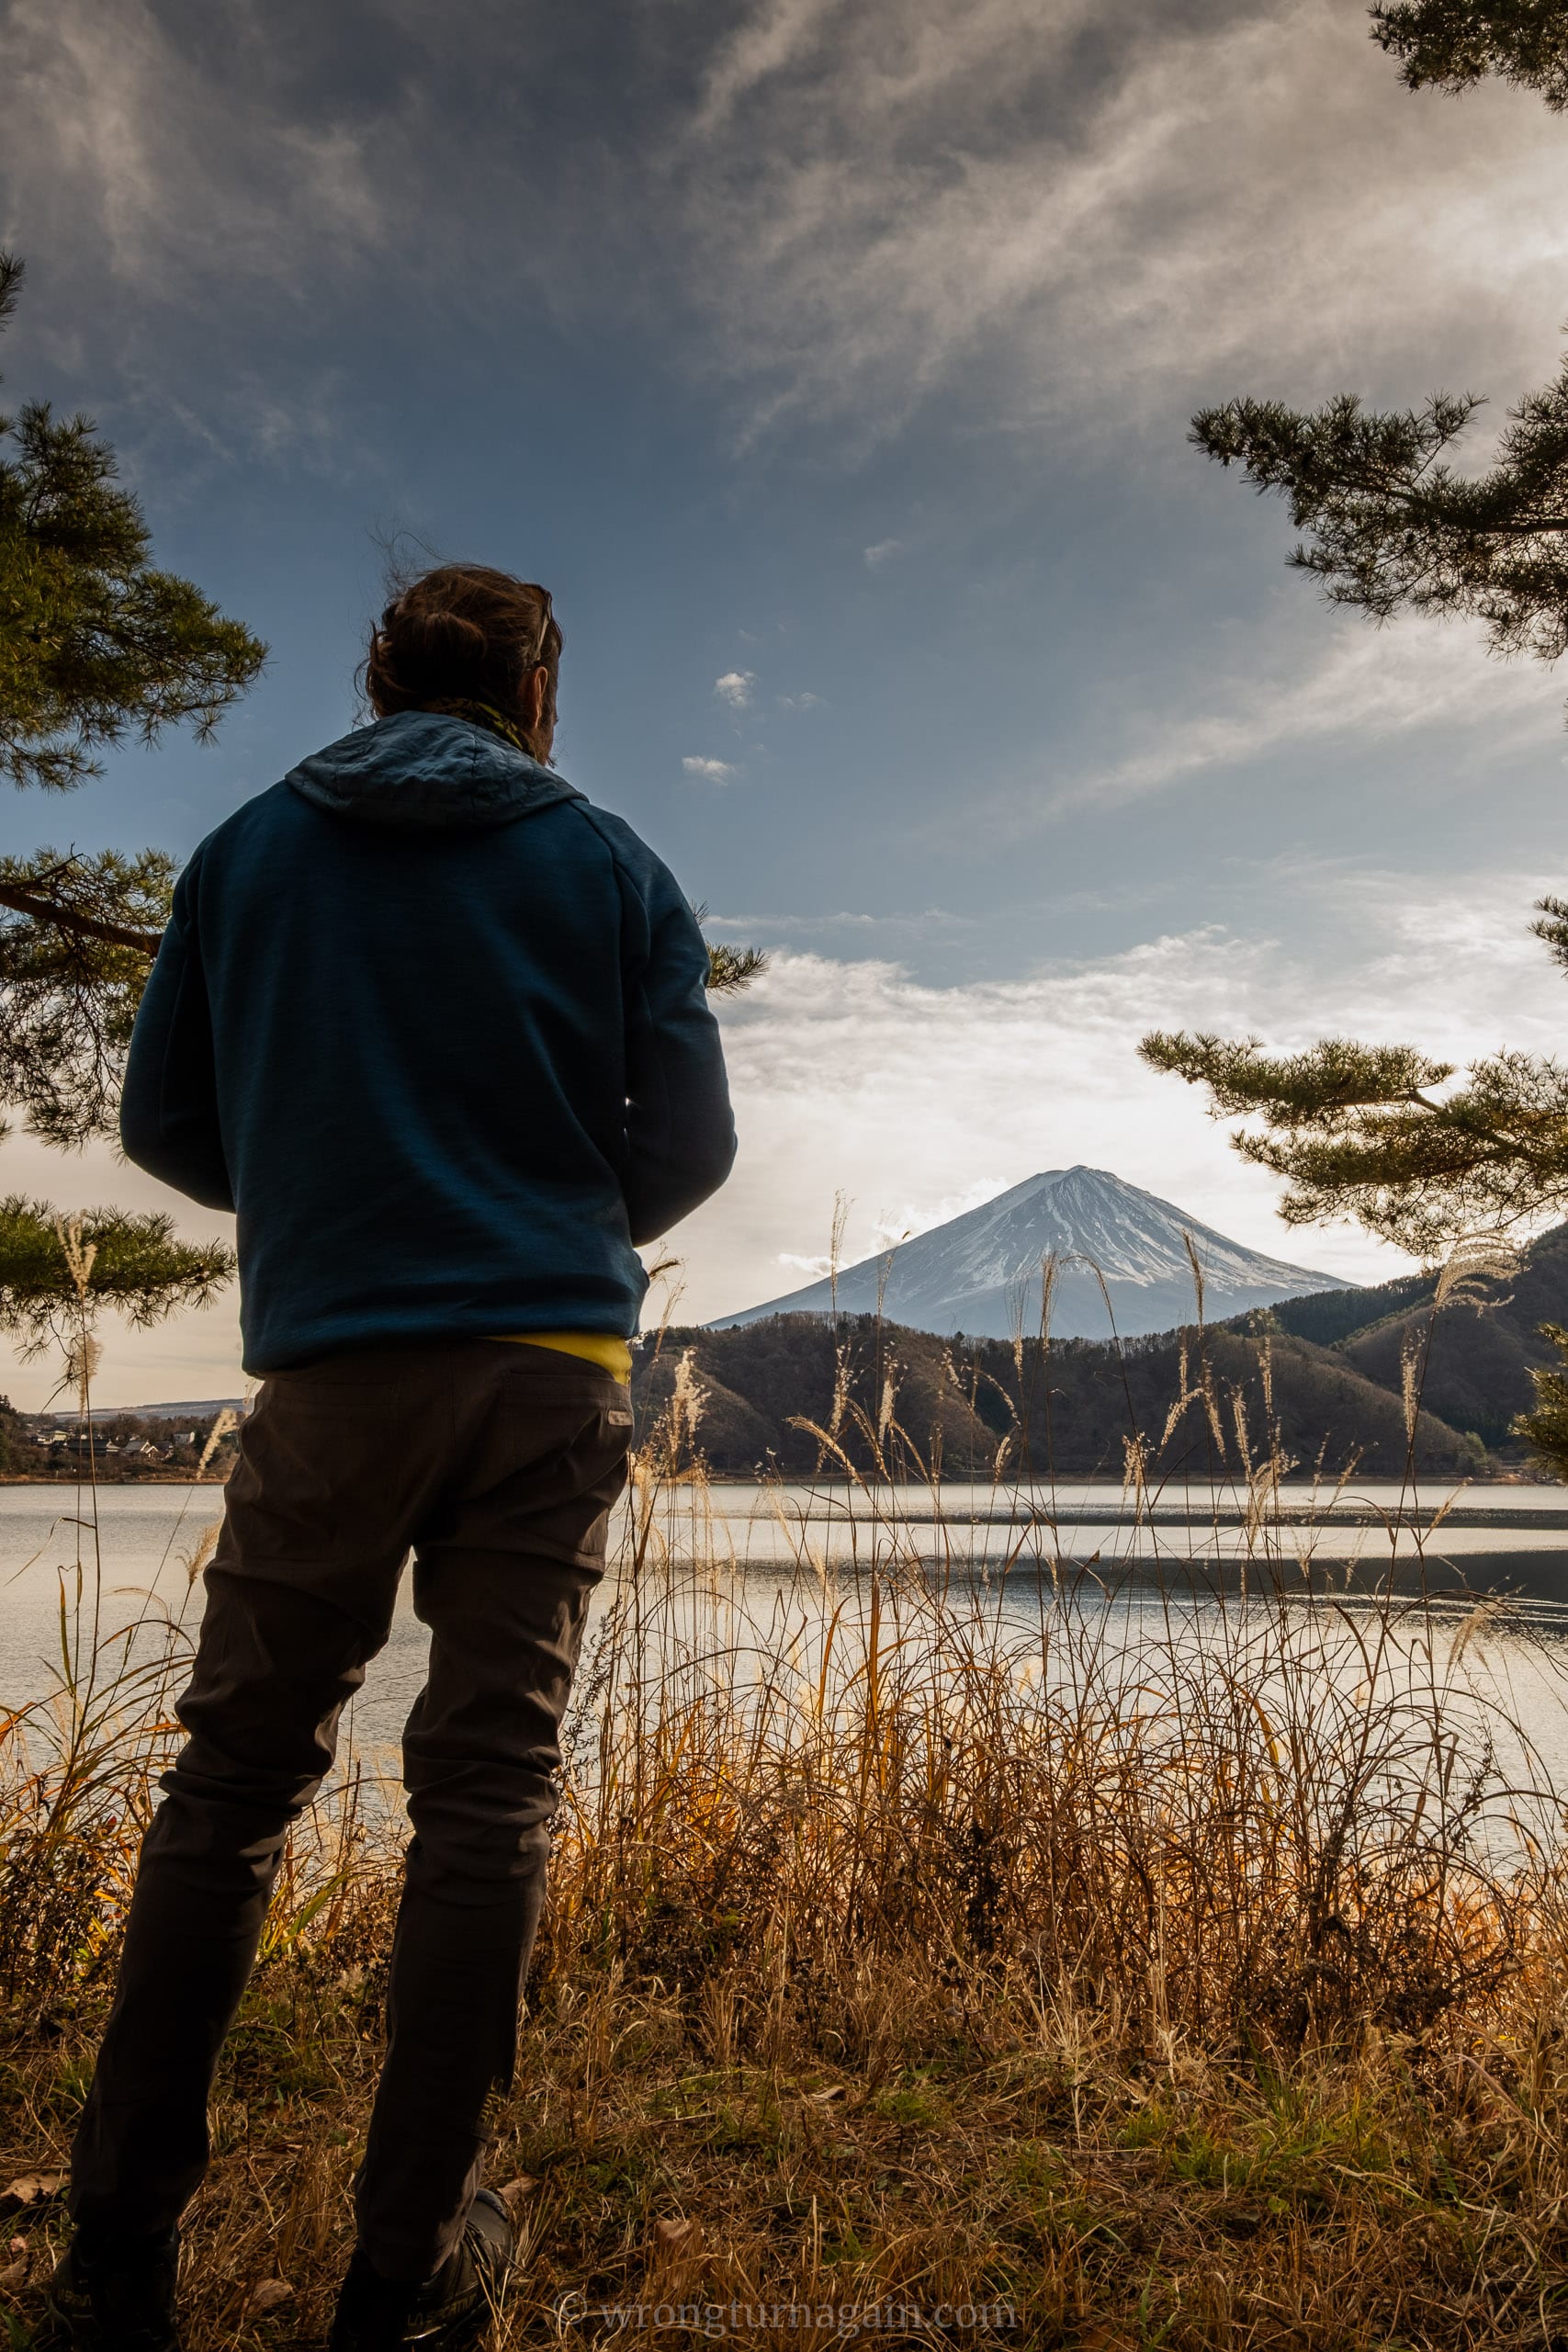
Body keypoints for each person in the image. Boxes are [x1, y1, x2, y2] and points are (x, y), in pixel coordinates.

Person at [42, 564, 738, 2352]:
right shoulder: (610, 863)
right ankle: (404, 2264)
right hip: (548, 1368)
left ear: (377, 675)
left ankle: (117, 2259)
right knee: (487, 1788)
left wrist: (333, 1205)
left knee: (231, 1785)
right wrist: (557, 1225)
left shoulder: (245, 852)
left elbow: (164, 1120)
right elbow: (695, 1142)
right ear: (537, 686)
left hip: (331, 1367)